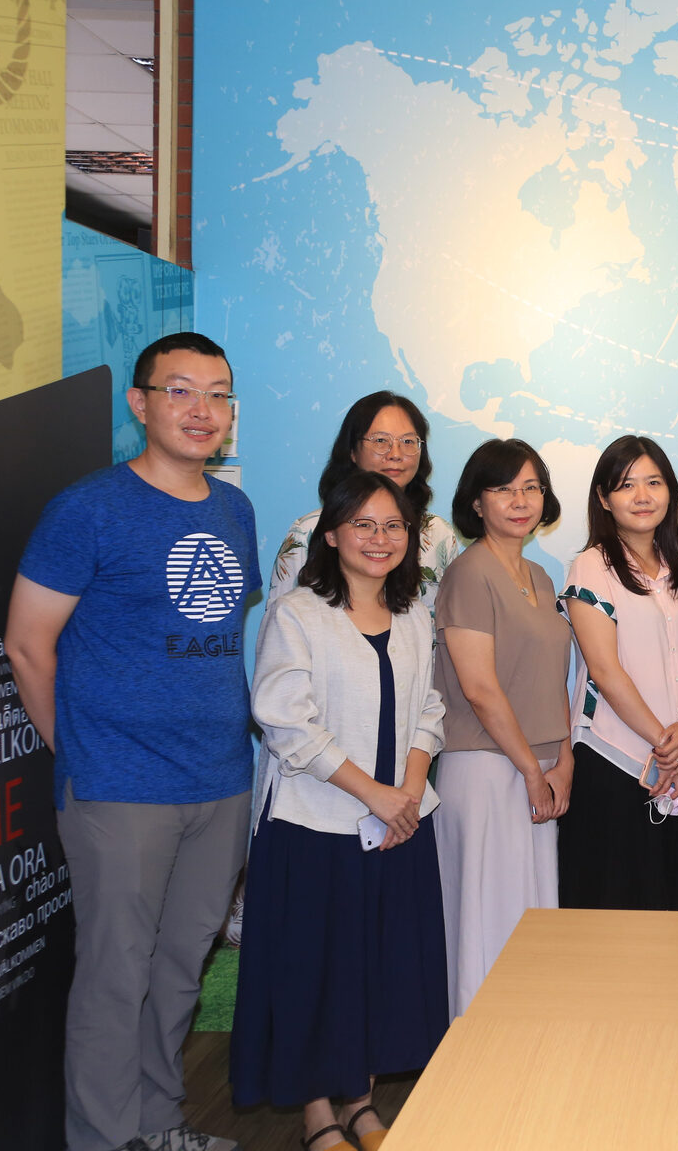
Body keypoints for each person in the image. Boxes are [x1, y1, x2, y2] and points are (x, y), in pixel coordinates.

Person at [8, 332, 255, 1151]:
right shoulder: (89, 508)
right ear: (139, 402)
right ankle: (106, 1140)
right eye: (180, 390)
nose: (201, 410)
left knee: (179, 972)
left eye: (217, 394)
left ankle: (159, 1124)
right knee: (116, 979)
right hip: (118, 785)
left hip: (219, 781)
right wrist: (74, 748)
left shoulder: (233, 509)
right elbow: (27, 643)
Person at [233, 471, 449, 1151]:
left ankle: (361, 1101)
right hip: (314, 827)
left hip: (399, 824)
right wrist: (374, 795)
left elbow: (430, 711)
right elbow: (283, 720)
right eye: (363, 525)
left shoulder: (415, 615)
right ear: (331, 534)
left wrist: (407, 792)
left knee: (375, 966)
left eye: (394, 526)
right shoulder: (300, 614)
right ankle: (318, 1114)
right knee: (314, 971)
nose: (380, 539)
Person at [431, 438, 573, 1013]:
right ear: (477, 501)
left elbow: (554, 679)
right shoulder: (468, 575)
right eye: (504, 488)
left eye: (531, 487)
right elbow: (480, 689)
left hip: (538, 769)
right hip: (489, 772)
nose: (520, 500)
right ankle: (475, 1060)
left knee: (530, 920)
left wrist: (563, 761)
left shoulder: (539, 577)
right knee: (486, 926)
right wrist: (531, 771)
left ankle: (526, 1052)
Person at [557, 436, 678, 909]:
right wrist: (664, 744)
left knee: (674, 904)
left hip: (677, 766)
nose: (642, 496)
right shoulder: (591, 567)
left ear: (671, 492)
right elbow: (605, 670)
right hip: (612, 760)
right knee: (614, 909)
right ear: (603, 498)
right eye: (626, 486)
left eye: (653, 482)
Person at [269, 390, 461, 608]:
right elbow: (279, 621)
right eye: (380, 440)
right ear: (352, 451)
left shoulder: (439, 534)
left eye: (408, 441)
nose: (395, 454)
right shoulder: (308, 531)